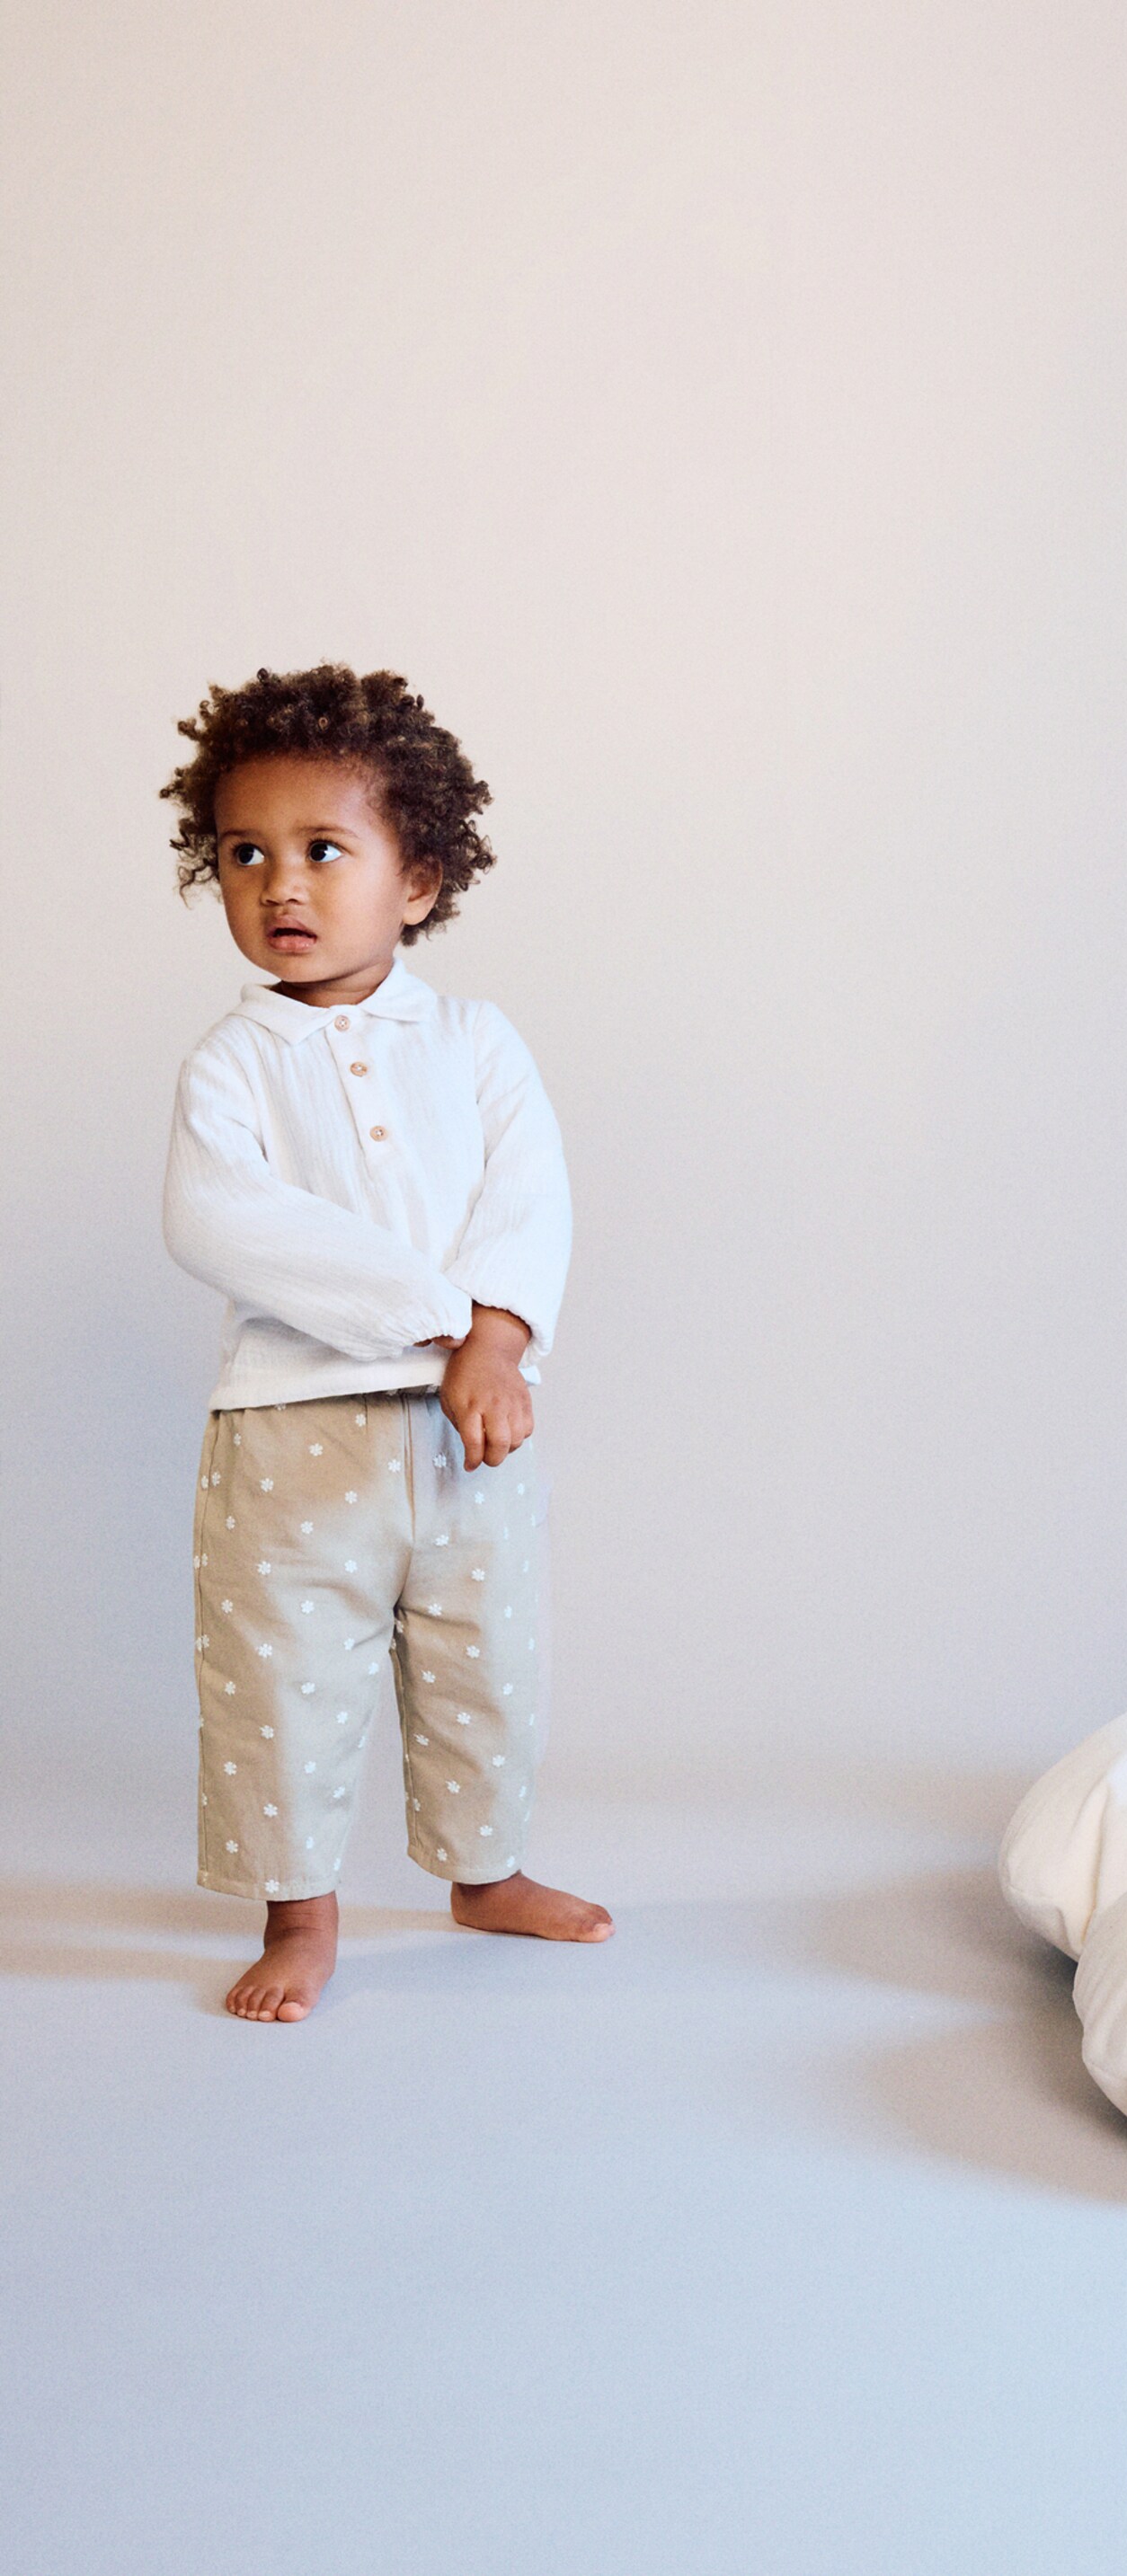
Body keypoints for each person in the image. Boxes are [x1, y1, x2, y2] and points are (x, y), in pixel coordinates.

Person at [162, 663, 611, 2022]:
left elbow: (529, 1197)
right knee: (283, 1683)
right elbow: (218, 1219)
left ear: (416, 880)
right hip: (289, 1430)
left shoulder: (475, 1042)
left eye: (320, 851)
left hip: (472, 1426)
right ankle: (299, 1915)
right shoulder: (231, 1065)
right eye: (244, 854)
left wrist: (498, 1342)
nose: (279, 885)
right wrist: (439, 1317)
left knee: (488, 1661)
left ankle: (487, 1874)